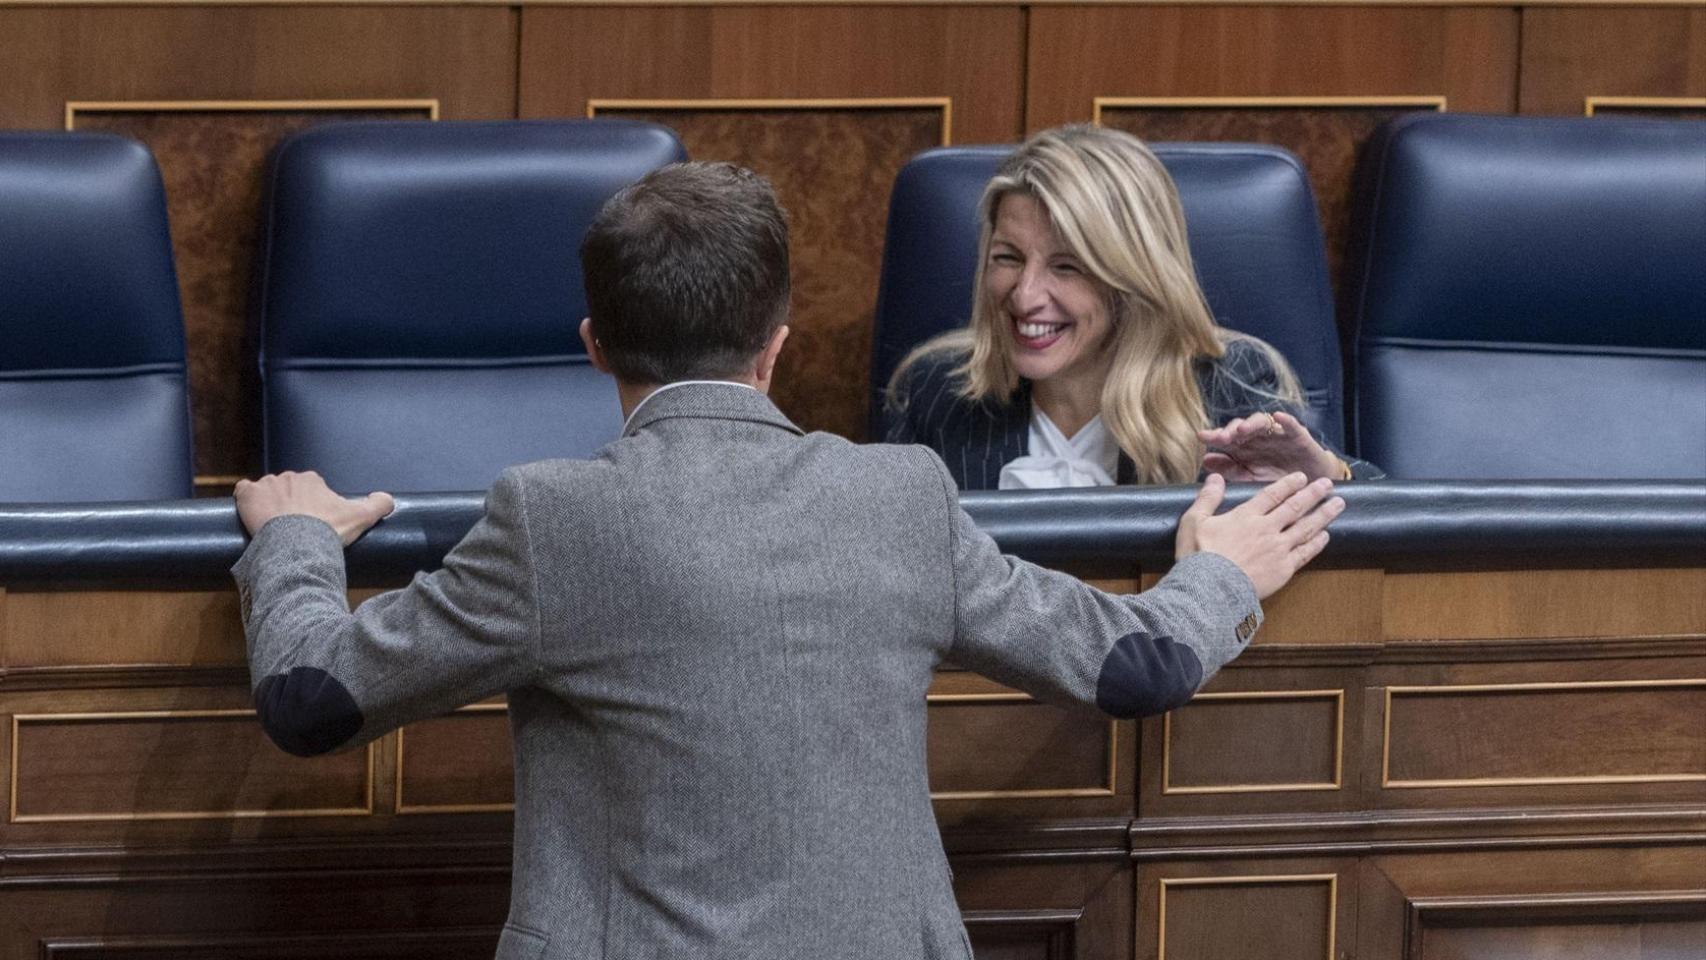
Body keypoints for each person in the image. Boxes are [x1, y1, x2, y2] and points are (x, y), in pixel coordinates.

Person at [231, 161, 1345, 960]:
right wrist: (1220, 569)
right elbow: (1136, 666)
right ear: (779, 340)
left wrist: (290, 537)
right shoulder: (898, 494)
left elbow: (309, 698)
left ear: (593, 345)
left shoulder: (549, 517)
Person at [886, 124, 1384, 491]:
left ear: (1132, 278)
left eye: (1067, 267)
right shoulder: (937, 394)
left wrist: (1325, 476)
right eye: (1008, 259)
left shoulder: (1225, 387)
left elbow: (1391, 517)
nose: (1024, 295)